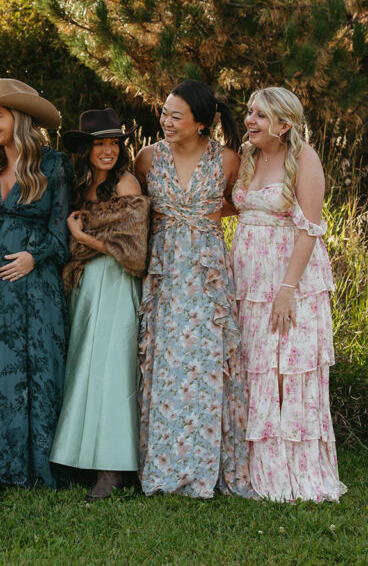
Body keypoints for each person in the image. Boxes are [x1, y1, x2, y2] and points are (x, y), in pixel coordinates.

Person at [133, 79, 252, 498]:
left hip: (207, 275)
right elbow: (135, 209)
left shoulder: (228, 160)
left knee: (204, 365)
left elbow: (242, 203)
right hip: (165, 275)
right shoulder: (146, 159)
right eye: (163, 113)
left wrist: (205, 217)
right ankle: (164, 467)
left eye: (176, 115)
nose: (165, 120)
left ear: (201, 123)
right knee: (166, 364)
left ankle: (205, 466)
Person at [231, 87, 346, 502]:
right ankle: (253, 470)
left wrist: (287, 290)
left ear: (284, 123)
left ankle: (290, 475)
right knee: (255, 369)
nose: (250, 121)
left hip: (289, 281)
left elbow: (310, 229)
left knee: (285, 371)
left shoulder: (305, 158)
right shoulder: (250, 155)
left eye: (260, 116)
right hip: (248, 280)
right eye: (249, 113)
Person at [0, 78, 71, 489]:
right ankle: (2, 468)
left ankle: (43, 468)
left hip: (36, 283)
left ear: (19, 119)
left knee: (39, 365)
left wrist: (33, 257)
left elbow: (61, 232)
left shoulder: (53, 165)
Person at [49, 108, 149, 500]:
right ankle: (80, 456)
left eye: (113, 143)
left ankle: (114, 467)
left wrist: (82, 236)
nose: (107, 150)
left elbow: (135, 251)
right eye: (99, 143)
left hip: (115, 280)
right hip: (86, 284)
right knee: (85, 366)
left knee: (112, 370)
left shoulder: (126, 184)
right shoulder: (80, 184)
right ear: (86, 149)